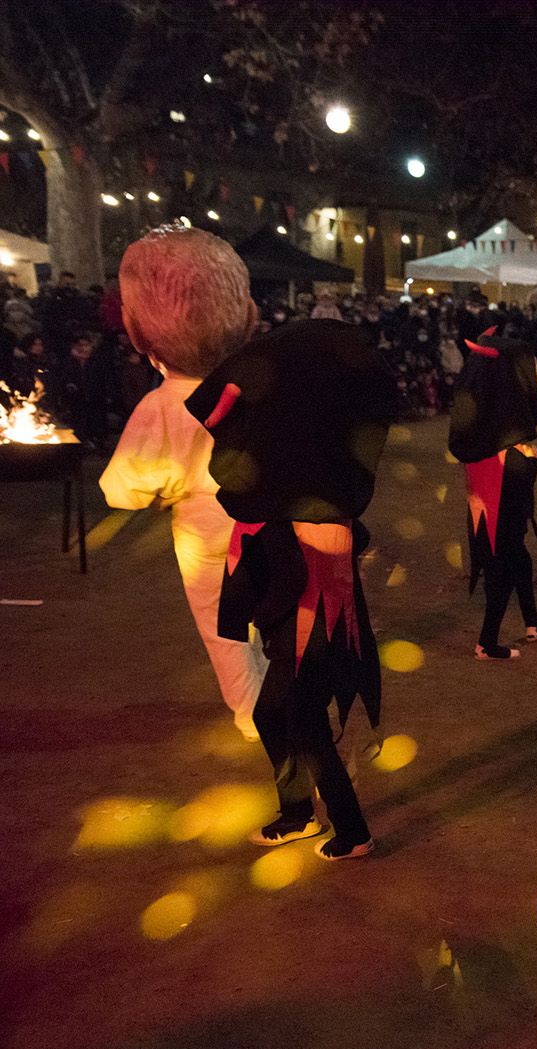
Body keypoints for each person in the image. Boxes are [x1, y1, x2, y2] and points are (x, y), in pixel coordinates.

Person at [187, 309, 396, 861]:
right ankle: (299, 813)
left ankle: (350, 830)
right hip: (289, 595)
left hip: (315, 601)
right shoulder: (282, 482)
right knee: (271, 713)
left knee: (302, 717)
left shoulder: (320, 488)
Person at [99, 226, 269, 739]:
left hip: (203, 525)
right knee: (268, 606)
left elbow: (124, 486)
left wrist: (159, 489)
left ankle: (253, 712)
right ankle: (278, 693)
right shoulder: (256, 386)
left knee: (224, 626)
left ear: (139, 331)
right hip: (265, 511)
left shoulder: (161, 406)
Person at [449, 326, 537, 660]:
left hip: (494, 496)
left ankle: (532, 621)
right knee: (503, 563)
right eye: (533, 372)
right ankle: (487, 643)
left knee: (516, 554)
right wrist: (529, 461)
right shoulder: (506, 447)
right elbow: (515, 483)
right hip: (498, 499)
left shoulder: (489, 430)